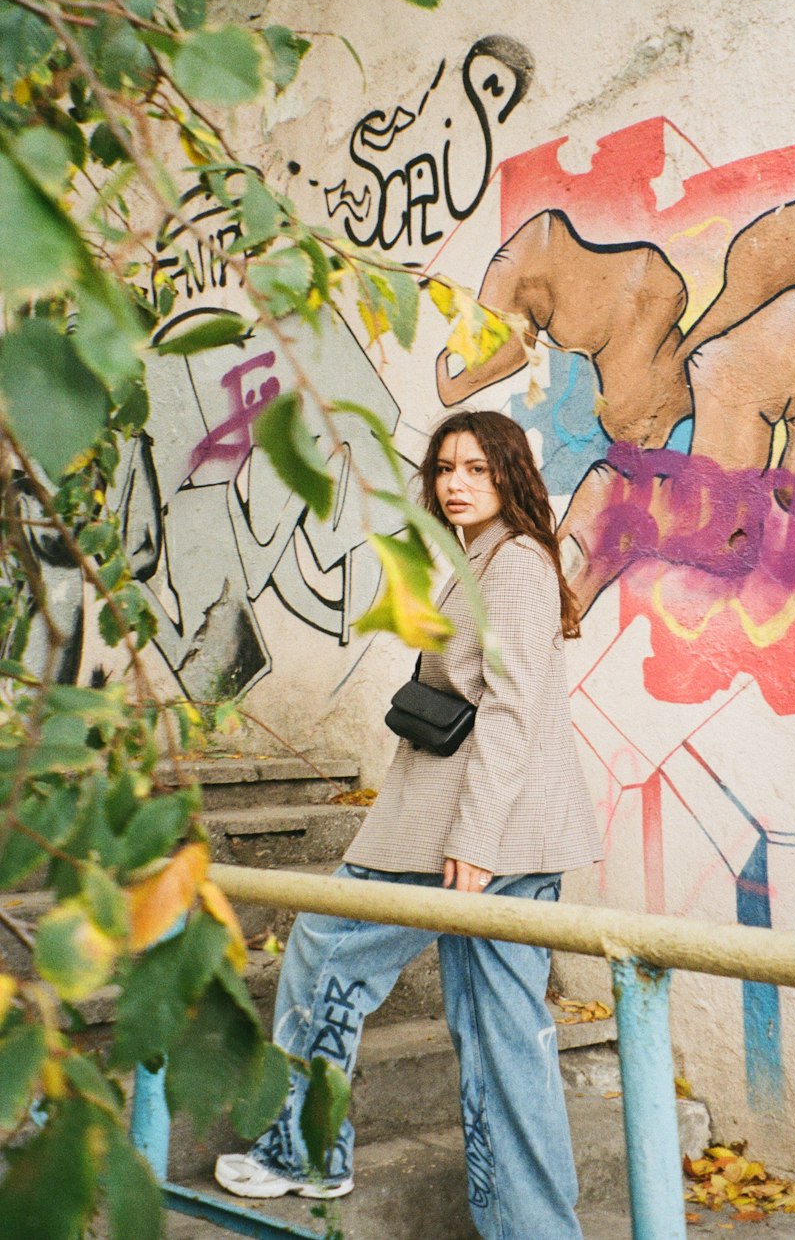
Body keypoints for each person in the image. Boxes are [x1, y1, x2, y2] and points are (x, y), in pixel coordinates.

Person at [215, 409, 602, 1239]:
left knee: (327, 947)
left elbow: (511, 711)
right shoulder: (477, 558)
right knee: (501, 1038)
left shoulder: (519, 566)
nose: (457, 485)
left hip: (464, 832)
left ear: (509, 477)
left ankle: (304, 1148)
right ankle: (532, 1229)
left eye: (477, 470)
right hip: (478, 829)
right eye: (445, 469)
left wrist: (475, 839)